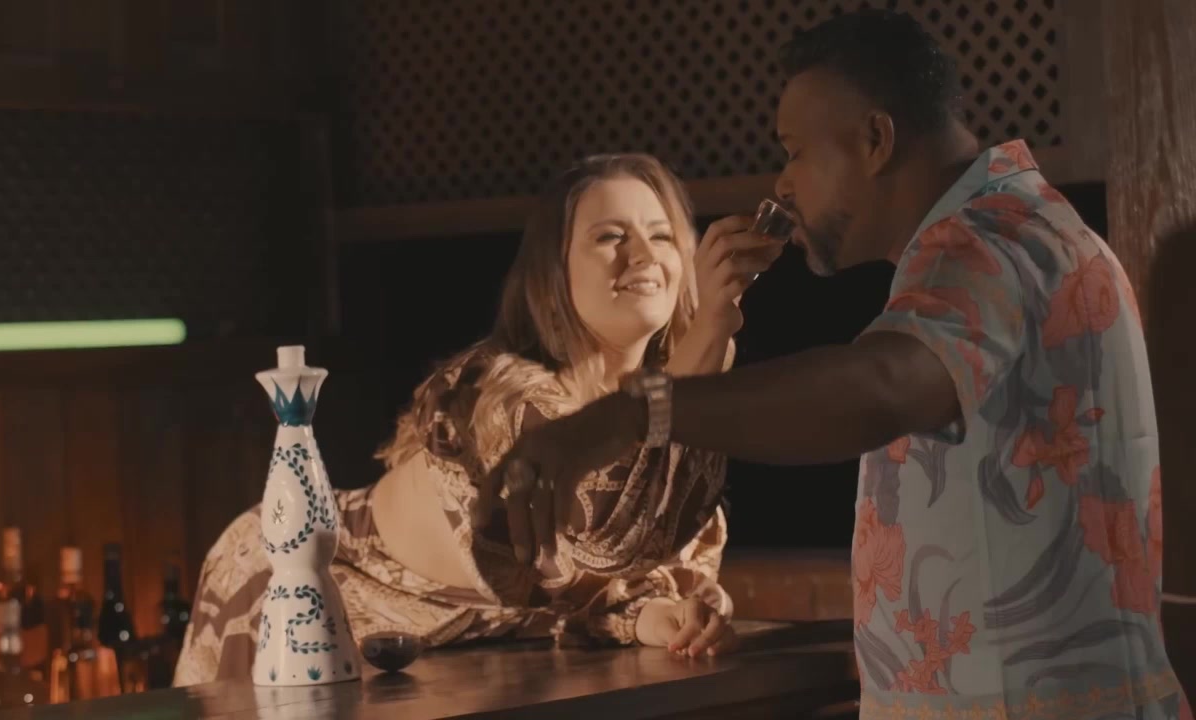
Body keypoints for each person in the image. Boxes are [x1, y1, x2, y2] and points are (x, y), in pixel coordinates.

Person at [478, 10, 1192, 719]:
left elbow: (879, 387)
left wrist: (633, 412)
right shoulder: (1026, 226)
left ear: (876, 140)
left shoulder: (984, 244)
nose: (783, 184)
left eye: (795, 152)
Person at [173, 153, 782, 685]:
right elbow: (596, 546)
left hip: (461, 652)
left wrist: (666, 616)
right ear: (555, 270)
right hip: (303, 578)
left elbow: (608, 589)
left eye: (663, 235)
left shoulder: (675, 396)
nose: (643, 255)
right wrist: (709, 335)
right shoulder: (493, 394)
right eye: (609, 237)